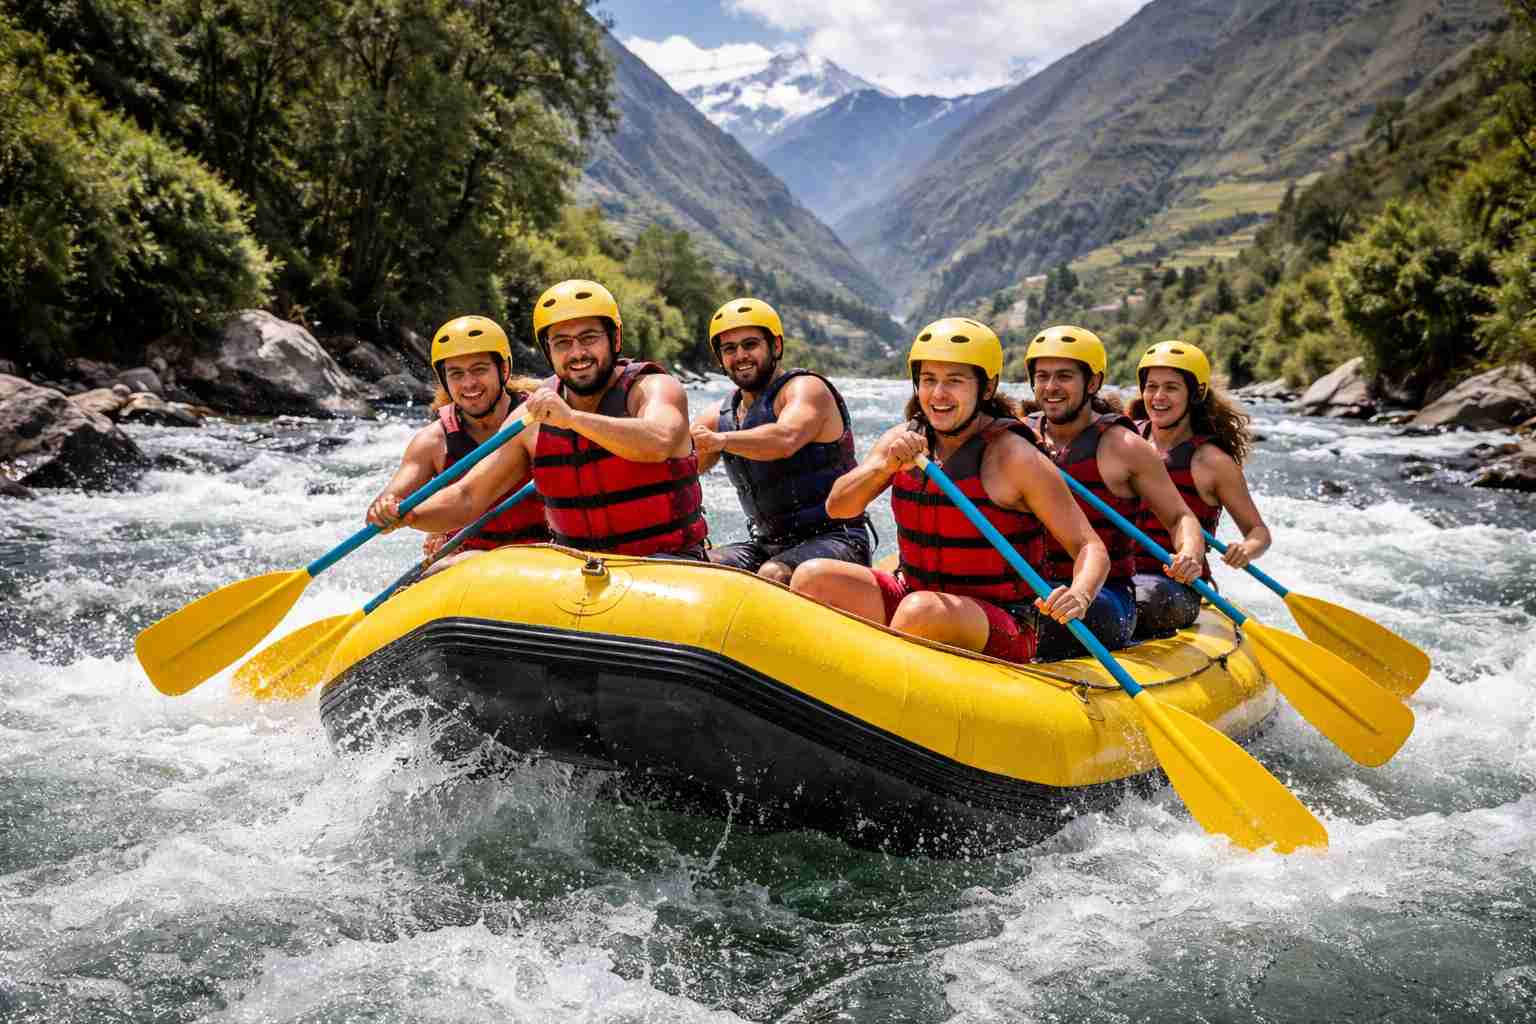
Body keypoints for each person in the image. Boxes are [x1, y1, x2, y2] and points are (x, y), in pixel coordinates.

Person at [790, 318, 1108, 664]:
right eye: (928, 380)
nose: (938, 394)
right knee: (812, 576)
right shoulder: (901, 440)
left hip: (1003, 621)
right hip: (914, 594)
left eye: (954, 381)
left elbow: (1090, 546)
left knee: (921, 611)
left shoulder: (1015, 457)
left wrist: (1080, 594)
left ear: (986, 389)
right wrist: (885, 467)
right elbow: (838, 508)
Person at [389, 280, 710, 559]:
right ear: (548, 351)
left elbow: (658, 441)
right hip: (580, 571)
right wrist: (406, 515)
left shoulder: (653, 388)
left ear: (614, 339)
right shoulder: (531, 417)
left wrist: (572, 419)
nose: (577, 353)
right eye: (562, 343)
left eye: (589, 338)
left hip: (670, 562)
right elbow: (469, 496)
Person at [1023, 325, 1206, 657]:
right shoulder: (1019, 439)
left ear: (1092, 382)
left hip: (1105, 595)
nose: (1050, 387)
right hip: (1029, 586)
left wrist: (1189, 554)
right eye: (1042, 376)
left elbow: (1181, 517)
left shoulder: (1125, 447)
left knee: (1042, 621)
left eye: (1064, 376)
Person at [689, 297, 871, 582]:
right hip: (769, 546)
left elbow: (785, 439)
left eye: (750, 345)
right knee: (699, 566)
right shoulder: (718, 416)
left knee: (772, 573)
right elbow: (674, 467)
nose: (740, 356)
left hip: (839, 540)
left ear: (775, 346)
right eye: (729, 349)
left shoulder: (806, 390)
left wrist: (721, 441)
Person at [365, 315, 548, 573]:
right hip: (469, 565)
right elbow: (390, 499)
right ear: (444, 380)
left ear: (504, 370)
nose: (469, 383)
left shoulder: (539, 417)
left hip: (547, 556)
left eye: (479, 369)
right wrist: (386, 510)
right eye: (456, 374)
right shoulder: (432, 441)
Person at [1128, 340, 1272, 634]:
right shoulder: (1125, 439)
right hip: (1117, 576)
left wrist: (1246, 549)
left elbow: (1259, 532)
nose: (1158, 396)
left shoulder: (1212, 462)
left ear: (1196, 394)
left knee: (1146, 598)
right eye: (1151, 386)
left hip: (1172, 586)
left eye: (1171, 387)